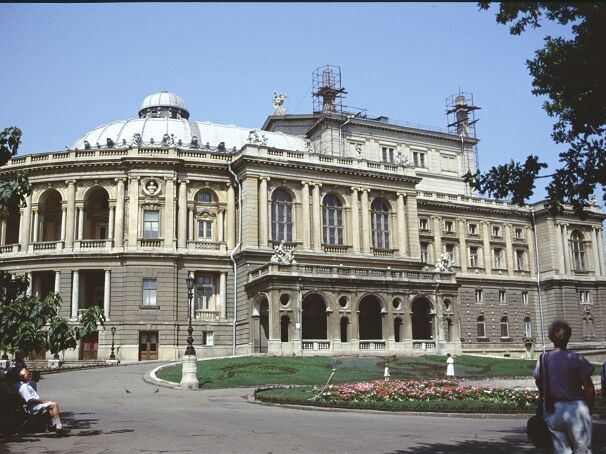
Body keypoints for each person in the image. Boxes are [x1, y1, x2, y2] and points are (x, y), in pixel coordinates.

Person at [532, 320, 594, 453]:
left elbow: (539, 383)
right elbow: (589, 388)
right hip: (577, 408)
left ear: (550, 338)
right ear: (569, 337)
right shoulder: (576, 358)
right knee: (582, 449)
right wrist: (589, 409)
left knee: (561, 451)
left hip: (553, 408)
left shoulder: (543, 359)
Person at [16, 368, 68, 435]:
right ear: (23, 376)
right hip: (34, 407)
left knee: (51, 408)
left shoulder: (27, 385)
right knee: (54, 405)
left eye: (29, 375)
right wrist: (42, 401)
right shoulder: (23, 387)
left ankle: (53, 425)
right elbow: (30, 400)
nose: (29, 376)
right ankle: (58, 426)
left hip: (36, 405)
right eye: (28, 375)